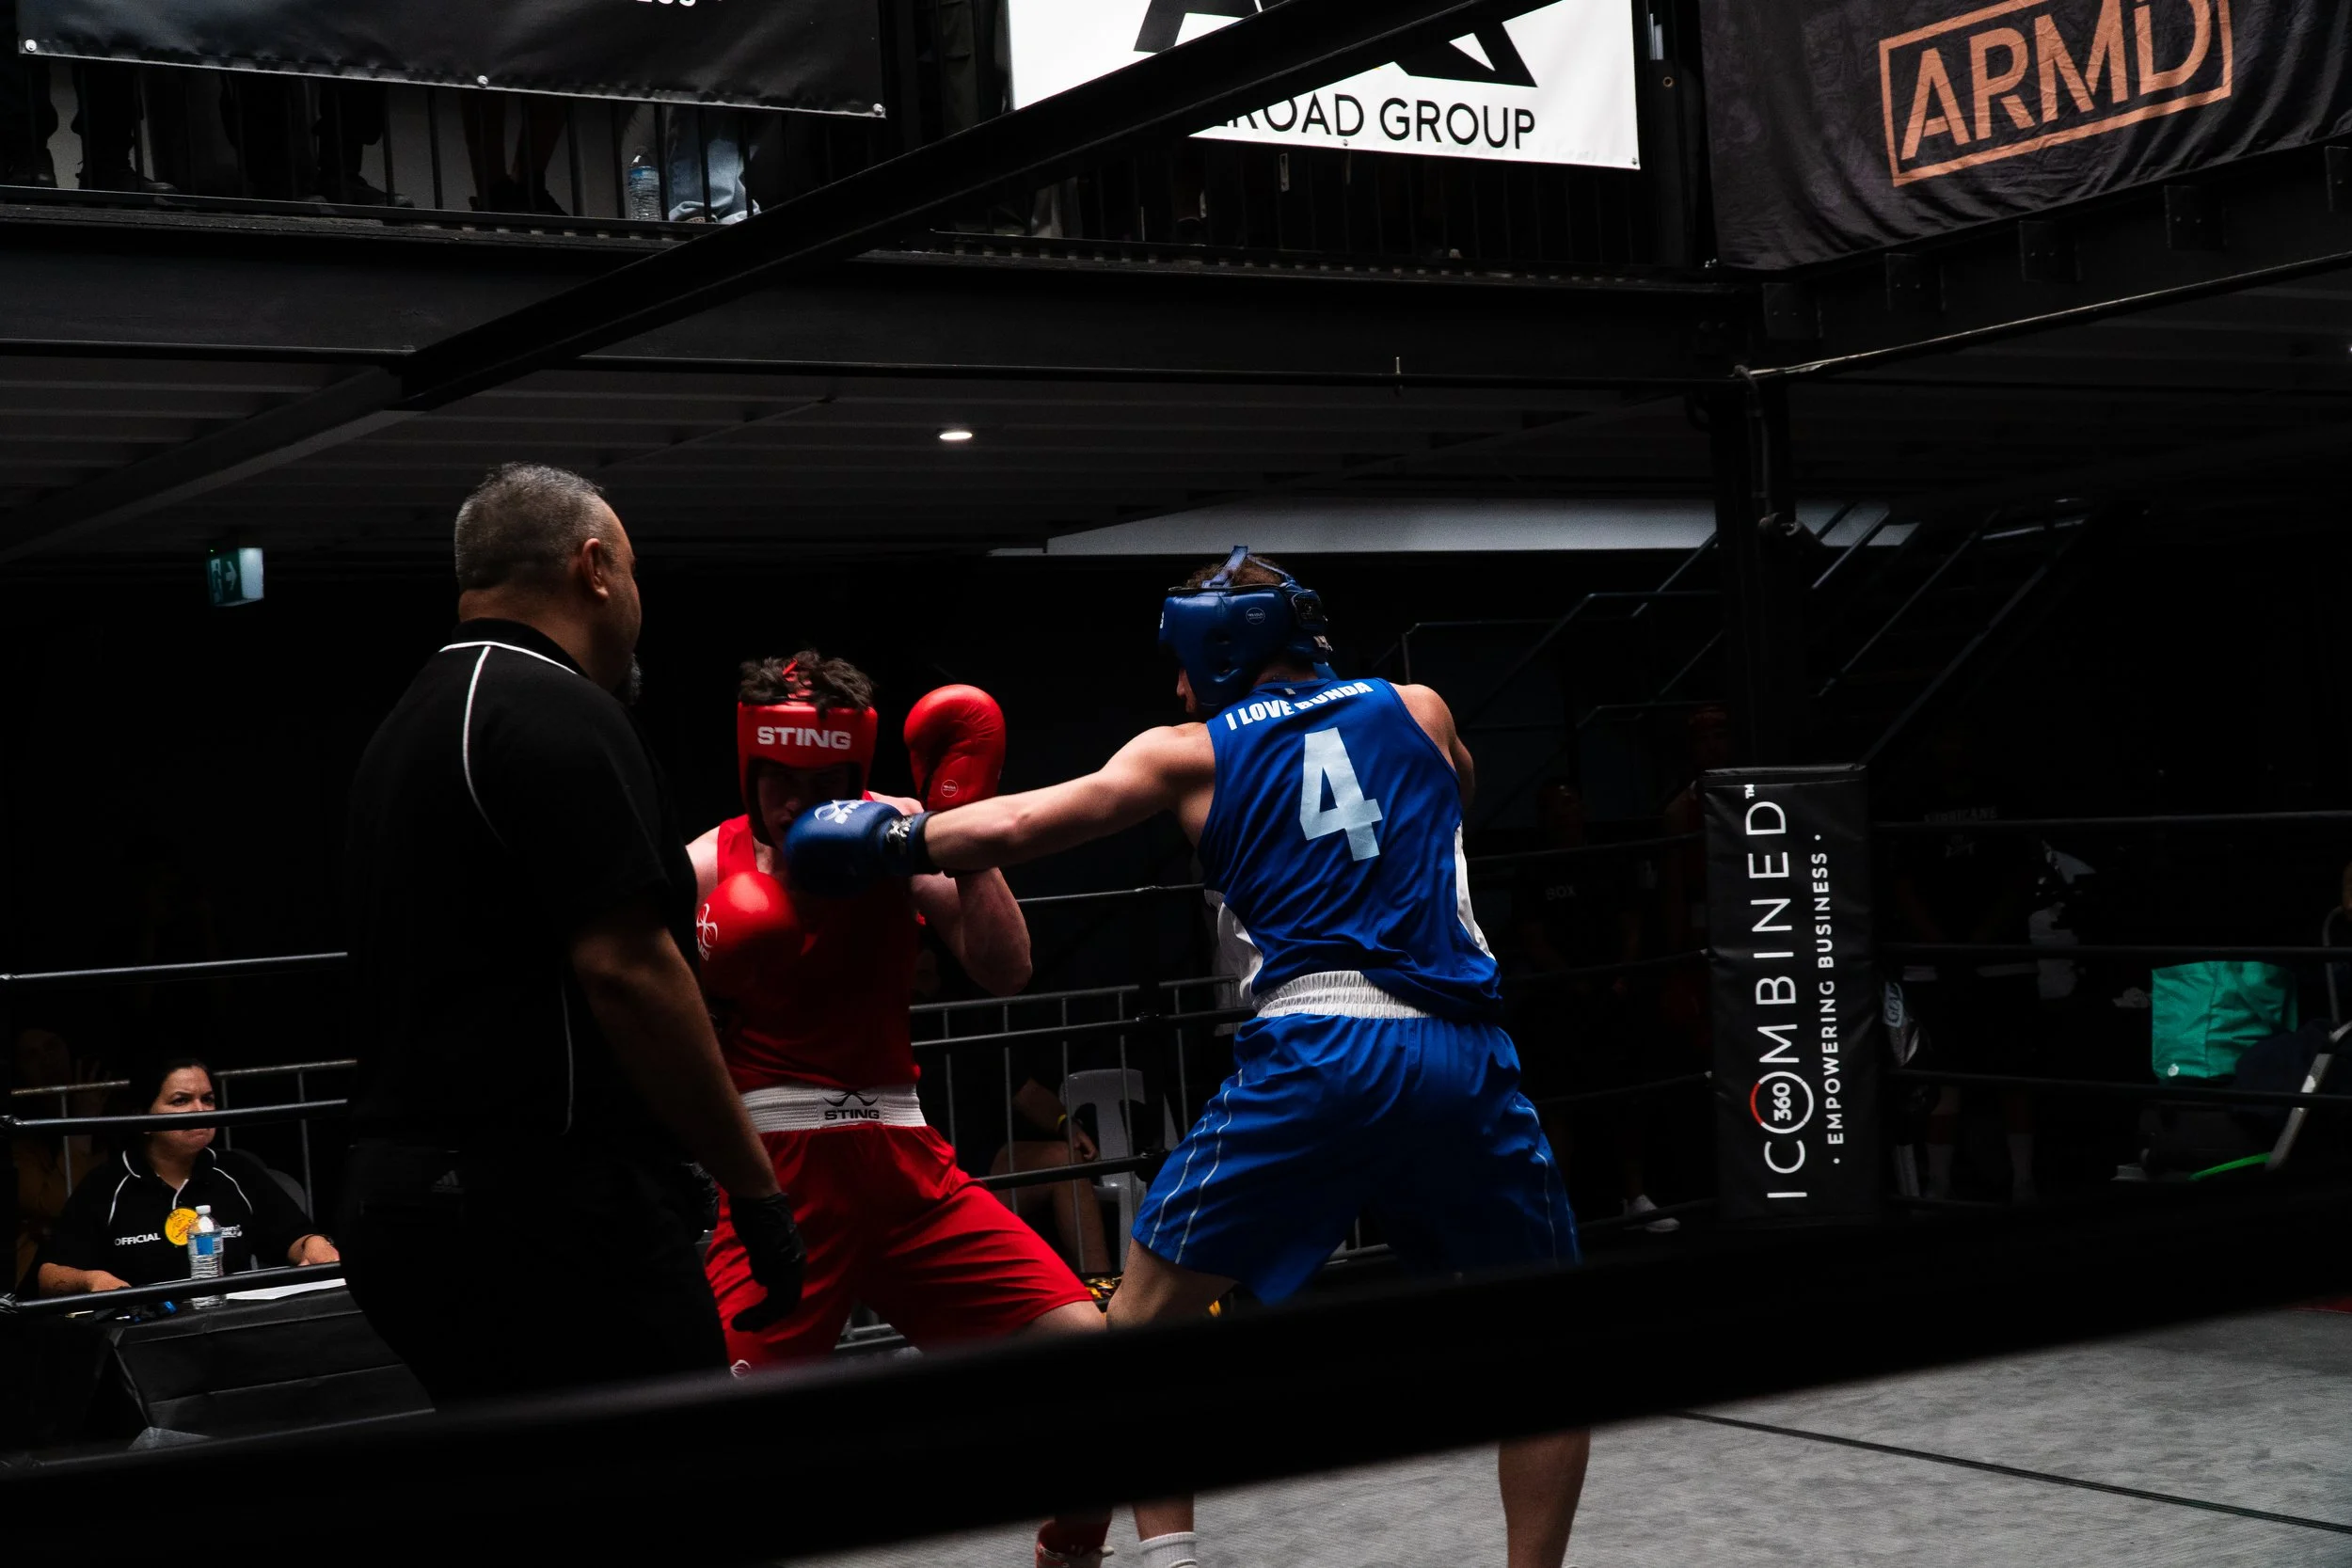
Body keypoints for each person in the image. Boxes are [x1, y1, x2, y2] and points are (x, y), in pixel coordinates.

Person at [787, 548, 1588, 1568]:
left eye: (1180, 659)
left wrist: (895, 837)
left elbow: (1030, 821)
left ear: (1216, 650)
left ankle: (1167, 1560)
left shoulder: (1189, 749)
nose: (1173, 681)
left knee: (1144, 1326)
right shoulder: (1419, 704)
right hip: (1464, 1050)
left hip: (1322, 1045)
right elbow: (1453, 787)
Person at [338, 463, 804, 1404]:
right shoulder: (556, 709)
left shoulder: (405, 725)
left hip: (408, 1197)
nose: (638, 598)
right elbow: (631, 969)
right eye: (633, 571)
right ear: (594, 567)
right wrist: (752, 1185)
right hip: (540, 1205)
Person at [691, 655, 1111, 1568]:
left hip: (908, 1166)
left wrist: (958, 836)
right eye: (781, 781)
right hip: (780, 1184)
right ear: (751, 768)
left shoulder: (898, 836)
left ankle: (1068, 1550)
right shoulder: (701, 865)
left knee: (1091, 1357)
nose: (799, 802)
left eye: (823, 781)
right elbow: (649, 1028)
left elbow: (1005, 968)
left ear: (854, 772)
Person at [1512, 781, 1676, 1233]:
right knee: (1561, 1106)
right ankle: (1557, 1211)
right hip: (1558, 1002)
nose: (1565, 811)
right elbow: (1532, 939)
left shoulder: (1607, 858)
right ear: (1542, 816)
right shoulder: (1533, 870)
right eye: (1553, 804)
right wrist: (1574, 984)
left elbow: (1631, 923)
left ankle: (1635, 1198)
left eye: (1571, 800)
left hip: (1613, 997)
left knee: (1626, 1098)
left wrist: (1620, 979)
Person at [33, 1055, 337, 1295]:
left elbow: (294, 1237)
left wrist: (315, 1244)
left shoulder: (236, 1172)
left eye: (208, 1099)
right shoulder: (106, 1184)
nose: (200, 1110)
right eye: (181, 1101)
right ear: (142, 1119)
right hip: (143, 1342)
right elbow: (49, 1275)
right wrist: (92, 1280)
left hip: (233, 1330)